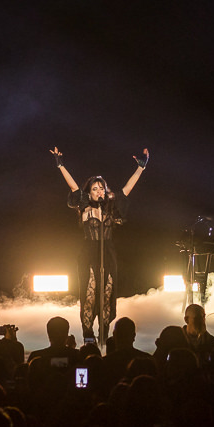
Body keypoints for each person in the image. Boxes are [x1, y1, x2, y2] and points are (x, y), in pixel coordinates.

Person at [50, 146, 148, 343]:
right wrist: (61, 165)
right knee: (89, 291)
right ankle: (88, 334)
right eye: (94, 188)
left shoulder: (111, 206)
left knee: (107, 291)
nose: (98, 191)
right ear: (90, 192)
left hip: (108, 251)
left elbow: (127, 189)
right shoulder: (84, 205)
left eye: (101, 187)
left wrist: (141, 168)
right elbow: (73, 187)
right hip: (88, 251)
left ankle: (104, 331)